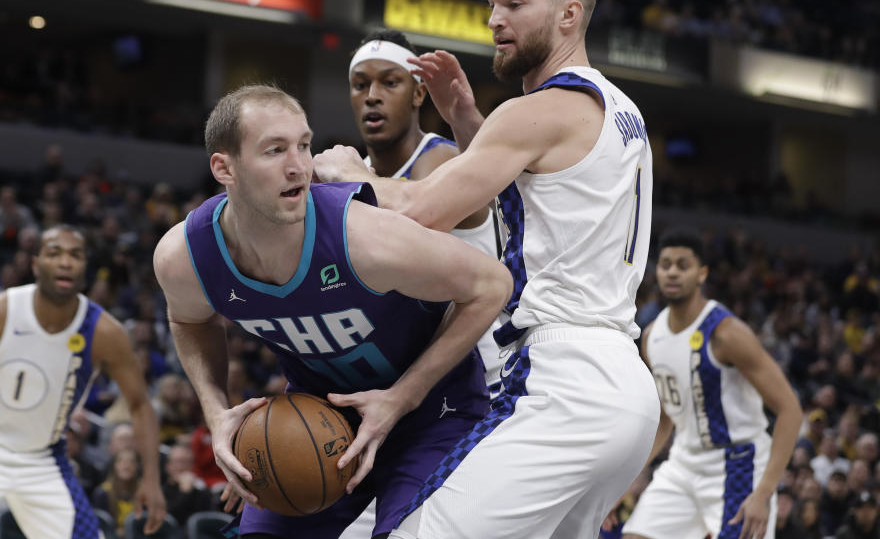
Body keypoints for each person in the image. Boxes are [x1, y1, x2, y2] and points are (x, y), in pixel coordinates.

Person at [314, 0, 662, 539]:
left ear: (569, 14)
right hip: (621, 383)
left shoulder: (538, 111)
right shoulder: (617, 107)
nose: (495, 19)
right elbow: (524, 200)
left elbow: (422, 210)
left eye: (515, 3)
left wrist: (348, 174)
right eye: (492, 3)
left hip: (559, 377)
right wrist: (468, 120)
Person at [152, 84, 512, 539]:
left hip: (431, 410)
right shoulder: (185, 256)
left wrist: (401, 398)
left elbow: (491, 285)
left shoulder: (364, 236)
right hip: (322, 417)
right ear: (225, 168)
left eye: (304, 145)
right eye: (274, 150)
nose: (298, 166)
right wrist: (217, 412)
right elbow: (188, 320)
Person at [340, 30, 503, 539]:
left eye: (389, 82)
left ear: (416, 93)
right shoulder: (352, 171)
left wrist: (346, 179)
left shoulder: (446, 161)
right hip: (396, 390)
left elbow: (414, 206)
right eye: (359, 84)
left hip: (480, 384)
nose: (371, 95)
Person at [612, 228, 802, 539]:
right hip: (683, 464)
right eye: (666, 264)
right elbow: (665, 419)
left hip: (738, 465)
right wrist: (626, 481)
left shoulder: (727, 333)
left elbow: (790, 411)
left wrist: (764, 493)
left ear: (702, 274)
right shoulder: (651, 336)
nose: (673, 272)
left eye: (683, 265)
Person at [0, 225, 166, 538]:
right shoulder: (7, 309)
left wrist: (152, 480)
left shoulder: (105, 332)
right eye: (54, 253)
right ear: (36, 265)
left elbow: (140, 404)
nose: (66, 262)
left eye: (75, 255)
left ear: (85, 268)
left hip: (42, 459)